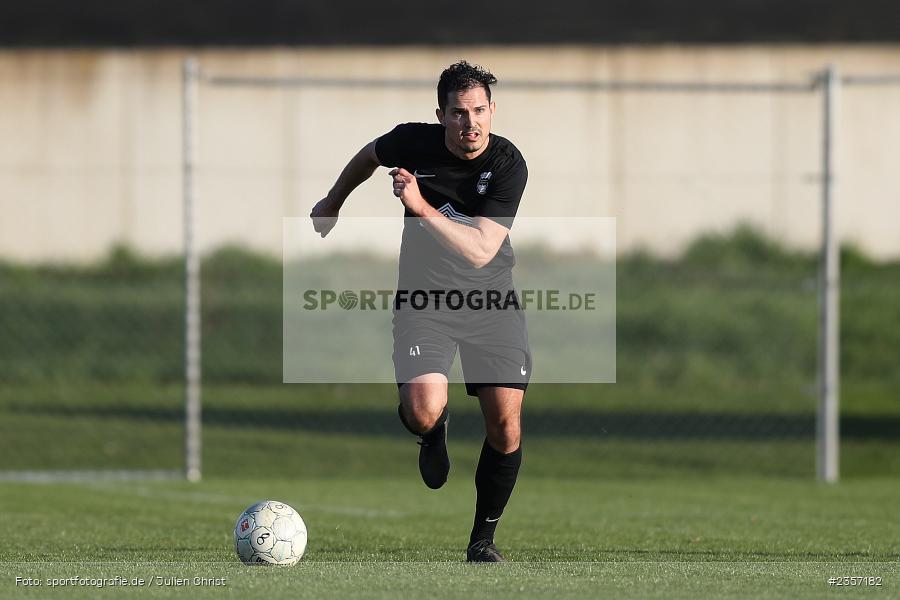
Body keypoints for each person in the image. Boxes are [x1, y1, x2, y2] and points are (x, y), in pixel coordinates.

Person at [310, 61, 530, 562]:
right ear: (441, 115)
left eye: (479, 111)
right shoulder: (413, 141)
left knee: (506, 425)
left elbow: (480, 250)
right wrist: (333, 201)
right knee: (420, 410)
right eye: (458, 113)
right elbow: (369, 154)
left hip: (491, 303)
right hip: (424, 303)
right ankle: (434, 431)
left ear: (492, 112)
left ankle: (482, 541)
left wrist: (419, 204)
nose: (470, 123)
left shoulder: (509, 162)